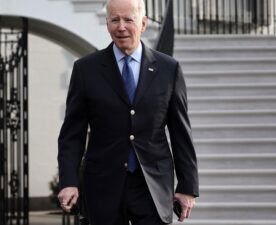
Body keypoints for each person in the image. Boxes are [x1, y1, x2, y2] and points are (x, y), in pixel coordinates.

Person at [57, 0, 199, 224]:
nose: (121, 27)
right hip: (103, 185)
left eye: (128, 20)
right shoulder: (86, 70)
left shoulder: (168, 69)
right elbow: (71, 135)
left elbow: (181, 133)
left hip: (152, 187)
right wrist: (68, 181)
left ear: (143, 24)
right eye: (114, 20)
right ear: (107, 24)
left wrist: (187, 187)